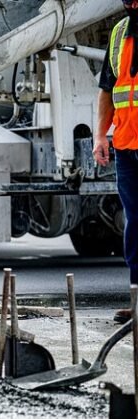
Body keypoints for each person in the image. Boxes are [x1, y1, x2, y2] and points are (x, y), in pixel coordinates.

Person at [94, 0, 138, 323]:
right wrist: (100, 135)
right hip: (125, 146)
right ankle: (137, 299)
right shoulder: (120, 33)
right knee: (135, 224)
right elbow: (108, 90)